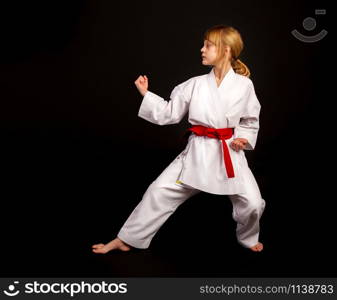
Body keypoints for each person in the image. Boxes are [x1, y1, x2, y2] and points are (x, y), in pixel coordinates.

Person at [92, 24, 266, 254]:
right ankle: (128, 239)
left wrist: (242, 138)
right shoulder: (194, 84)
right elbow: (169, 113)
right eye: (203, 45)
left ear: (225, 50)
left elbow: (250, 120)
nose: (202, 49)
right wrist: (146, 94)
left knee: (253, 203)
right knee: (158, 191)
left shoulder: (244, 86)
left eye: (208, 45)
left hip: (229, 154)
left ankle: (248, 237)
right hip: (198, 151)